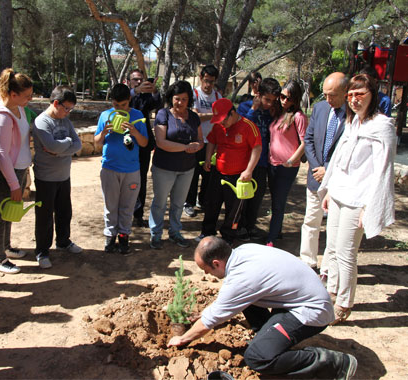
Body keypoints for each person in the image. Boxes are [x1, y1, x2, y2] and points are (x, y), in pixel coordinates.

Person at [168, 236, 358, 379]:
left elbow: (211, 320)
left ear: (216, 263)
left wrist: (183, 339)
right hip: (297, 300)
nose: (206, 274)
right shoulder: (243, 251)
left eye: (205, 269)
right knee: (245, 301)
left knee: (257, 357)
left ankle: (333, 363)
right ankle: (268, 336)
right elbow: (228, 302)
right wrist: (204, 312)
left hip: (311, 312)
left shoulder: (242, 278)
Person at [319, 74, 396, 324]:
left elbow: (382, 170)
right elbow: (340, 161)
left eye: (359, 94)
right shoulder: (353, 123)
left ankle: (343, 303)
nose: (354, 100)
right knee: (331, 247)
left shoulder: (382, 125)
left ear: (372, 95)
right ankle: (330, 291)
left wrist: (369, 206)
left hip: (358, 200)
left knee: (345, 253)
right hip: (339, 194)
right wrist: (330, 190)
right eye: (350, 95)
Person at [0, 69, 34, 274]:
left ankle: (6, 247)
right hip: (3, 173)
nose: (30, 99)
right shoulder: (1, 117)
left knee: (10, 212)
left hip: (19, 169)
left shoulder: (19, 108)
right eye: (27, 95)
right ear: (13, 94)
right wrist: (13, 184)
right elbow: (1, 153)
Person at [299, 72, 347, 272]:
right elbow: (308, 140)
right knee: (311, 220)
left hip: (338, 181)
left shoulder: (354, 114)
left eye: (333, 95)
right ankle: (307, 262)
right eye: (325, 94)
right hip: (315, 176)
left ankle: (328, 267)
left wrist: (329, 170)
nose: (328, 99)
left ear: (345, 92)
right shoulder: (319, 108)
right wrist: (317, 167)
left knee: (334, 228)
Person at [196, 98, 261, 243]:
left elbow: (257, 148)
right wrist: (208, 159)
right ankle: (207, 232)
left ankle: (228, 236)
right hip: (218, 172)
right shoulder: (219, 126)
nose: (222, 123)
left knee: (234, 209)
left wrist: (249, 170)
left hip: (238, 176)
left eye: (224, 120)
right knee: (211, 203)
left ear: (232, 113)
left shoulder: (248, 126)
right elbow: (212, 140)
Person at [33, 86, 83, 269]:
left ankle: (63, 241)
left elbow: (77, 145)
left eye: (71, 109)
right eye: (67, 108)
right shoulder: (41, 122)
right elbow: (51, 146)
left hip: (64, 176)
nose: (68, 113)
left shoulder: (65, 121)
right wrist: (65, 146)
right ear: (56, 103)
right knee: (45, 217)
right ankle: (42, 251)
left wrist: (62, 147)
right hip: (46, 177)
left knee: (64, 212)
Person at [148, 80, 203, 250]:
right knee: (159, 203)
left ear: (189, 100)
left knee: (179, 203)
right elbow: (161, 142)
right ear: (171, 98)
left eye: (184, 99)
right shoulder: (163, 114)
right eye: (177, 98)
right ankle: (156, 234)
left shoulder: (193, 117)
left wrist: (198, 146)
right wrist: (187, 147)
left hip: (187, 169)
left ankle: (175, 232)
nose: (180, 102)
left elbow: (201, 140)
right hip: (164, 168)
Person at [94, 84, 148, 254]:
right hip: (109, 167)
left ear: (129, 100)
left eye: (123, 105)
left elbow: (144, 143)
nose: (119, 109)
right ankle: (110, 236)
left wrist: (134, 132)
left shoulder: (137, 116)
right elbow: (97, 142)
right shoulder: (105, 115)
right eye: (116, 105)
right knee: (111, 205)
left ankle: (124, 236)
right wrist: (103, 133)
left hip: (131, 169)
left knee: (127, 206)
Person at [265, 80, 308, 246]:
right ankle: (278, 231)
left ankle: (271, 238)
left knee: (278, 203)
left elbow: (305, 143)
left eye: (289, 98)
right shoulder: (277, 114)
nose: (284, 101)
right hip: (272, 164)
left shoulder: (299, 117)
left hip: (287, 167)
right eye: (282, 96)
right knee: (275, 199)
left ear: (296, 99)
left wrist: (291, 161)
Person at [237, 78, 281, 240]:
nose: (269, 103)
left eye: (273, 101)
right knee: (242, 196)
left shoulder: (272, 112)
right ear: (258, 94)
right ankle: (239, 226)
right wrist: (253, 109)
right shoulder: (244, 107)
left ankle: (250, 226)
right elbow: (241, 129)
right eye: (267, 99)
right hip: (244, 161)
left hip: (262, 161)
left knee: (257, 196)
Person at [184, 64, 221, 217]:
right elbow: (195, 116)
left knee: (209, 174)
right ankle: (189, 203)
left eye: (211, 82)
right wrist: (214, 114)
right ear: (201, 78)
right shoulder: (194, 94)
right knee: (192, 175)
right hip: (196, 140)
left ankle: (202, 200)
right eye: (206, 80)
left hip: (212, 142)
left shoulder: (218, 96)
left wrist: (208, 115)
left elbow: (222, 119)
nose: (208, 85)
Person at [128, 69, 162, 228]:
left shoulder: (146, 96)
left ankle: (138, 214)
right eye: (135, 79)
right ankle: (125, 213)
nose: (138, 82)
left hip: (144, 143)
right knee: (125, 178)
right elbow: (121, 103)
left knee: (140, 179)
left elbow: (158, 105)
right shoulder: (126, 95)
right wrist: (135, 91)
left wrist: (154, 91)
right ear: (129, 81)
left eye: (140, 79)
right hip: (126, 143)